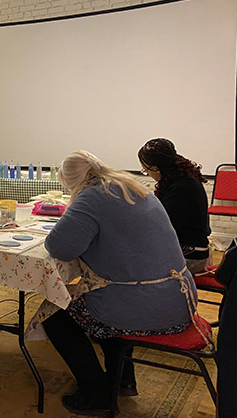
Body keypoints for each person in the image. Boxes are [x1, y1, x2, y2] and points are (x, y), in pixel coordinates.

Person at [43, 151, 197, 414]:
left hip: (147, 307)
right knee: (101, 309)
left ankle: (96, 394)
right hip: (179, 298)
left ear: (73, 182)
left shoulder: (91, 197)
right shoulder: (132, 187)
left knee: (56, 319)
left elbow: (59, 247)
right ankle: (123, 380)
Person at [138, 138, 211, 273]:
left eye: (146, 171)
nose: (148, 174)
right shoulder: (180, 179)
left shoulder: (181, 188)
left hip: (192, 257)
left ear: (156, 169)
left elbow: (165, 227)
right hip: (192, 248)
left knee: (134, 262)